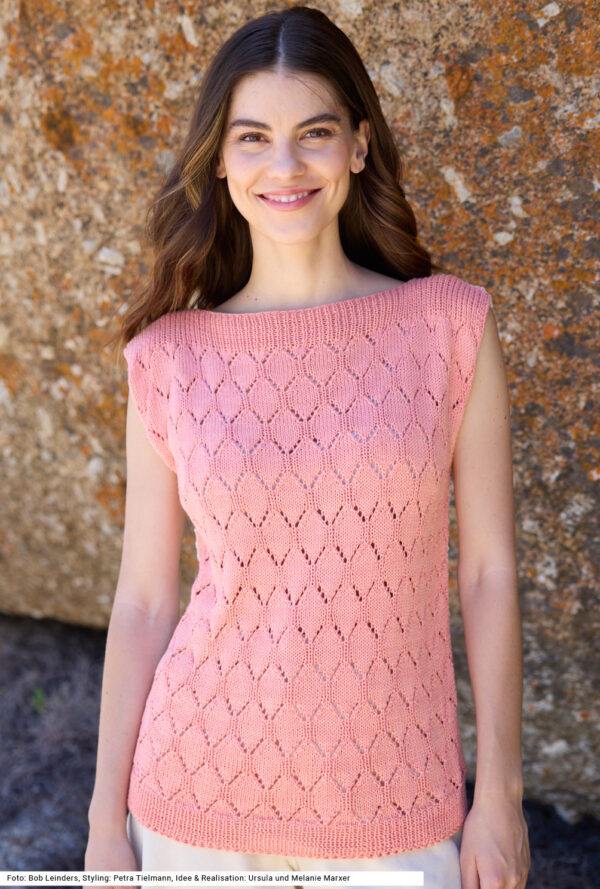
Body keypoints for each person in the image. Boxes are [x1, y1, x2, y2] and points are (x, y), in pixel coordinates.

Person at [85, 6, 530, 888]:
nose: (284, 166)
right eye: (253, 137)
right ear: (220, 159)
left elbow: (487, 573)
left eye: (314, 133)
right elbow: (142, 601)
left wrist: (502, 798)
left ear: (358, 146)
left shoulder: (449, 326)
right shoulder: (168, 359)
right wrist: (104, 822)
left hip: (395, 801)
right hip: (192, 797)